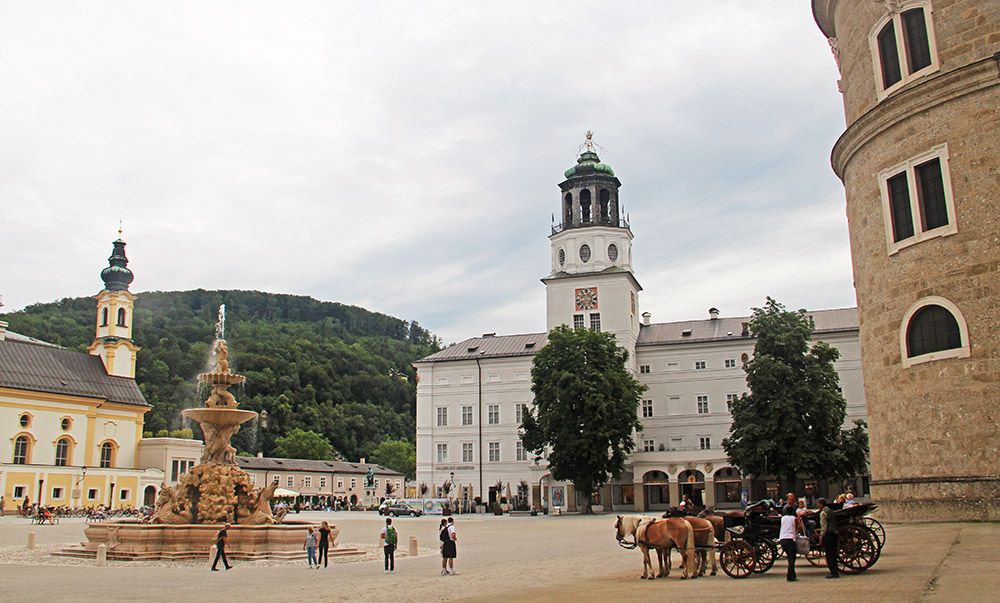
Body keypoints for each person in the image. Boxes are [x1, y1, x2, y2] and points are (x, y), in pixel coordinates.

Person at [778, 505, 803, 582]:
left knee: (790, 557)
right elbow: (799, 528)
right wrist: (799, 520)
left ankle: (792, 574)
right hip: (790, 539)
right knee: (792, 559)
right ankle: (790, 575)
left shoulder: (783, 518)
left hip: (782, 539)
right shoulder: (793, 518)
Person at [817, 498, 840, 579]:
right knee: (833, 554)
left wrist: (821, 536)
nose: (817, 506)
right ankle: (835, 571)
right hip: (835, 533)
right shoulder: (830, 510)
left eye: (818, 504)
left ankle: (833, 572)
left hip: (829, 534)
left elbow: (824, 526)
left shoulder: (823, 513)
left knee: (829, 555)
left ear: (821, 504)